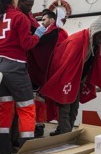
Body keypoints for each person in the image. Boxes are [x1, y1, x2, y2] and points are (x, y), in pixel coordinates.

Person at [0, 0, 46, 154]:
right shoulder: (19, 18)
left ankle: (3, 153)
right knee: (26, 108)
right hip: (15, 67)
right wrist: (38, 34)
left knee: (4, 109)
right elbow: (27, 44)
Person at [41, 17, 101, 135]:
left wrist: (83, 80)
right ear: (95, 32)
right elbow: (65, 64)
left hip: (77, 78)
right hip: (66, 77)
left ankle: (64, 131)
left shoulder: (96, 43)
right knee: (64, 106)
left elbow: (89, 64)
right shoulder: (77, 41)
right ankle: (65, 134)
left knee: (74, 109)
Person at [27, 9, 69, 137]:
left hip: (46, 74)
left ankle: (39, 127)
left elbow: (38, 47)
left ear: (51, 20)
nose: (42, 23)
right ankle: (58, 129)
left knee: (40, 101)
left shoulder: (52, 33)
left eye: (44, 20)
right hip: (54, 73)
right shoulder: (61, 33)